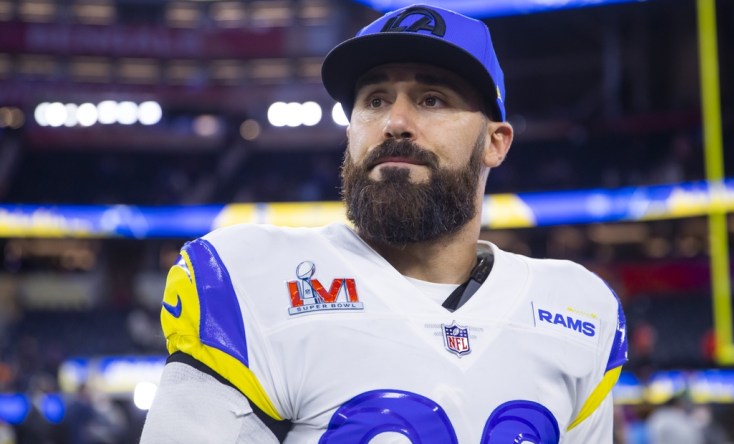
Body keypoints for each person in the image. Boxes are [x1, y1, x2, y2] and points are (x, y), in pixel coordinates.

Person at [140, 4, 628, 443]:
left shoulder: (579, 313)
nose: (395, 120)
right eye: (374, 99)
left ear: (496, 142)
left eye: (431, 98)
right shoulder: (249, 279)